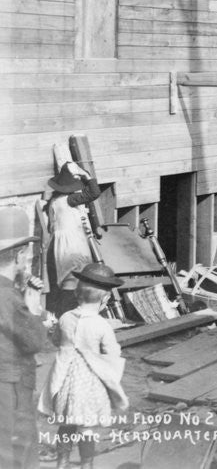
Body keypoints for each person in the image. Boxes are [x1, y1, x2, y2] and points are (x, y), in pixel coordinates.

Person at [39, 262, 129, 469]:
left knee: (66, 422)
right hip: (89, 384)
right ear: (105, 299)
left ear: (77, 295)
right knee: (86, 427)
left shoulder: (65, 318)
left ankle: (62, 462)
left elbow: (56, 342)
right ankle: (87, 464)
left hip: (65, 380)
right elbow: (113, 352)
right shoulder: (102, 325)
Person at [0, 206, 48, 469]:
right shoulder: (9, 297)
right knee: (17, 452)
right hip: (11, 387)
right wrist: (33, 309)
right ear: (19, 255)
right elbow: (34, 342)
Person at [41, 162, 102, 317]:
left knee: (67, 279)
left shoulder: (54, 202)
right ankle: (70, 315)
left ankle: (62, 315)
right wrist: (88, 177)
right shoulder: (69, 200)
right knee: (75, 279)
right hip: (73, 244)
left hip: (59, 244)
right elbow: (94, 193)